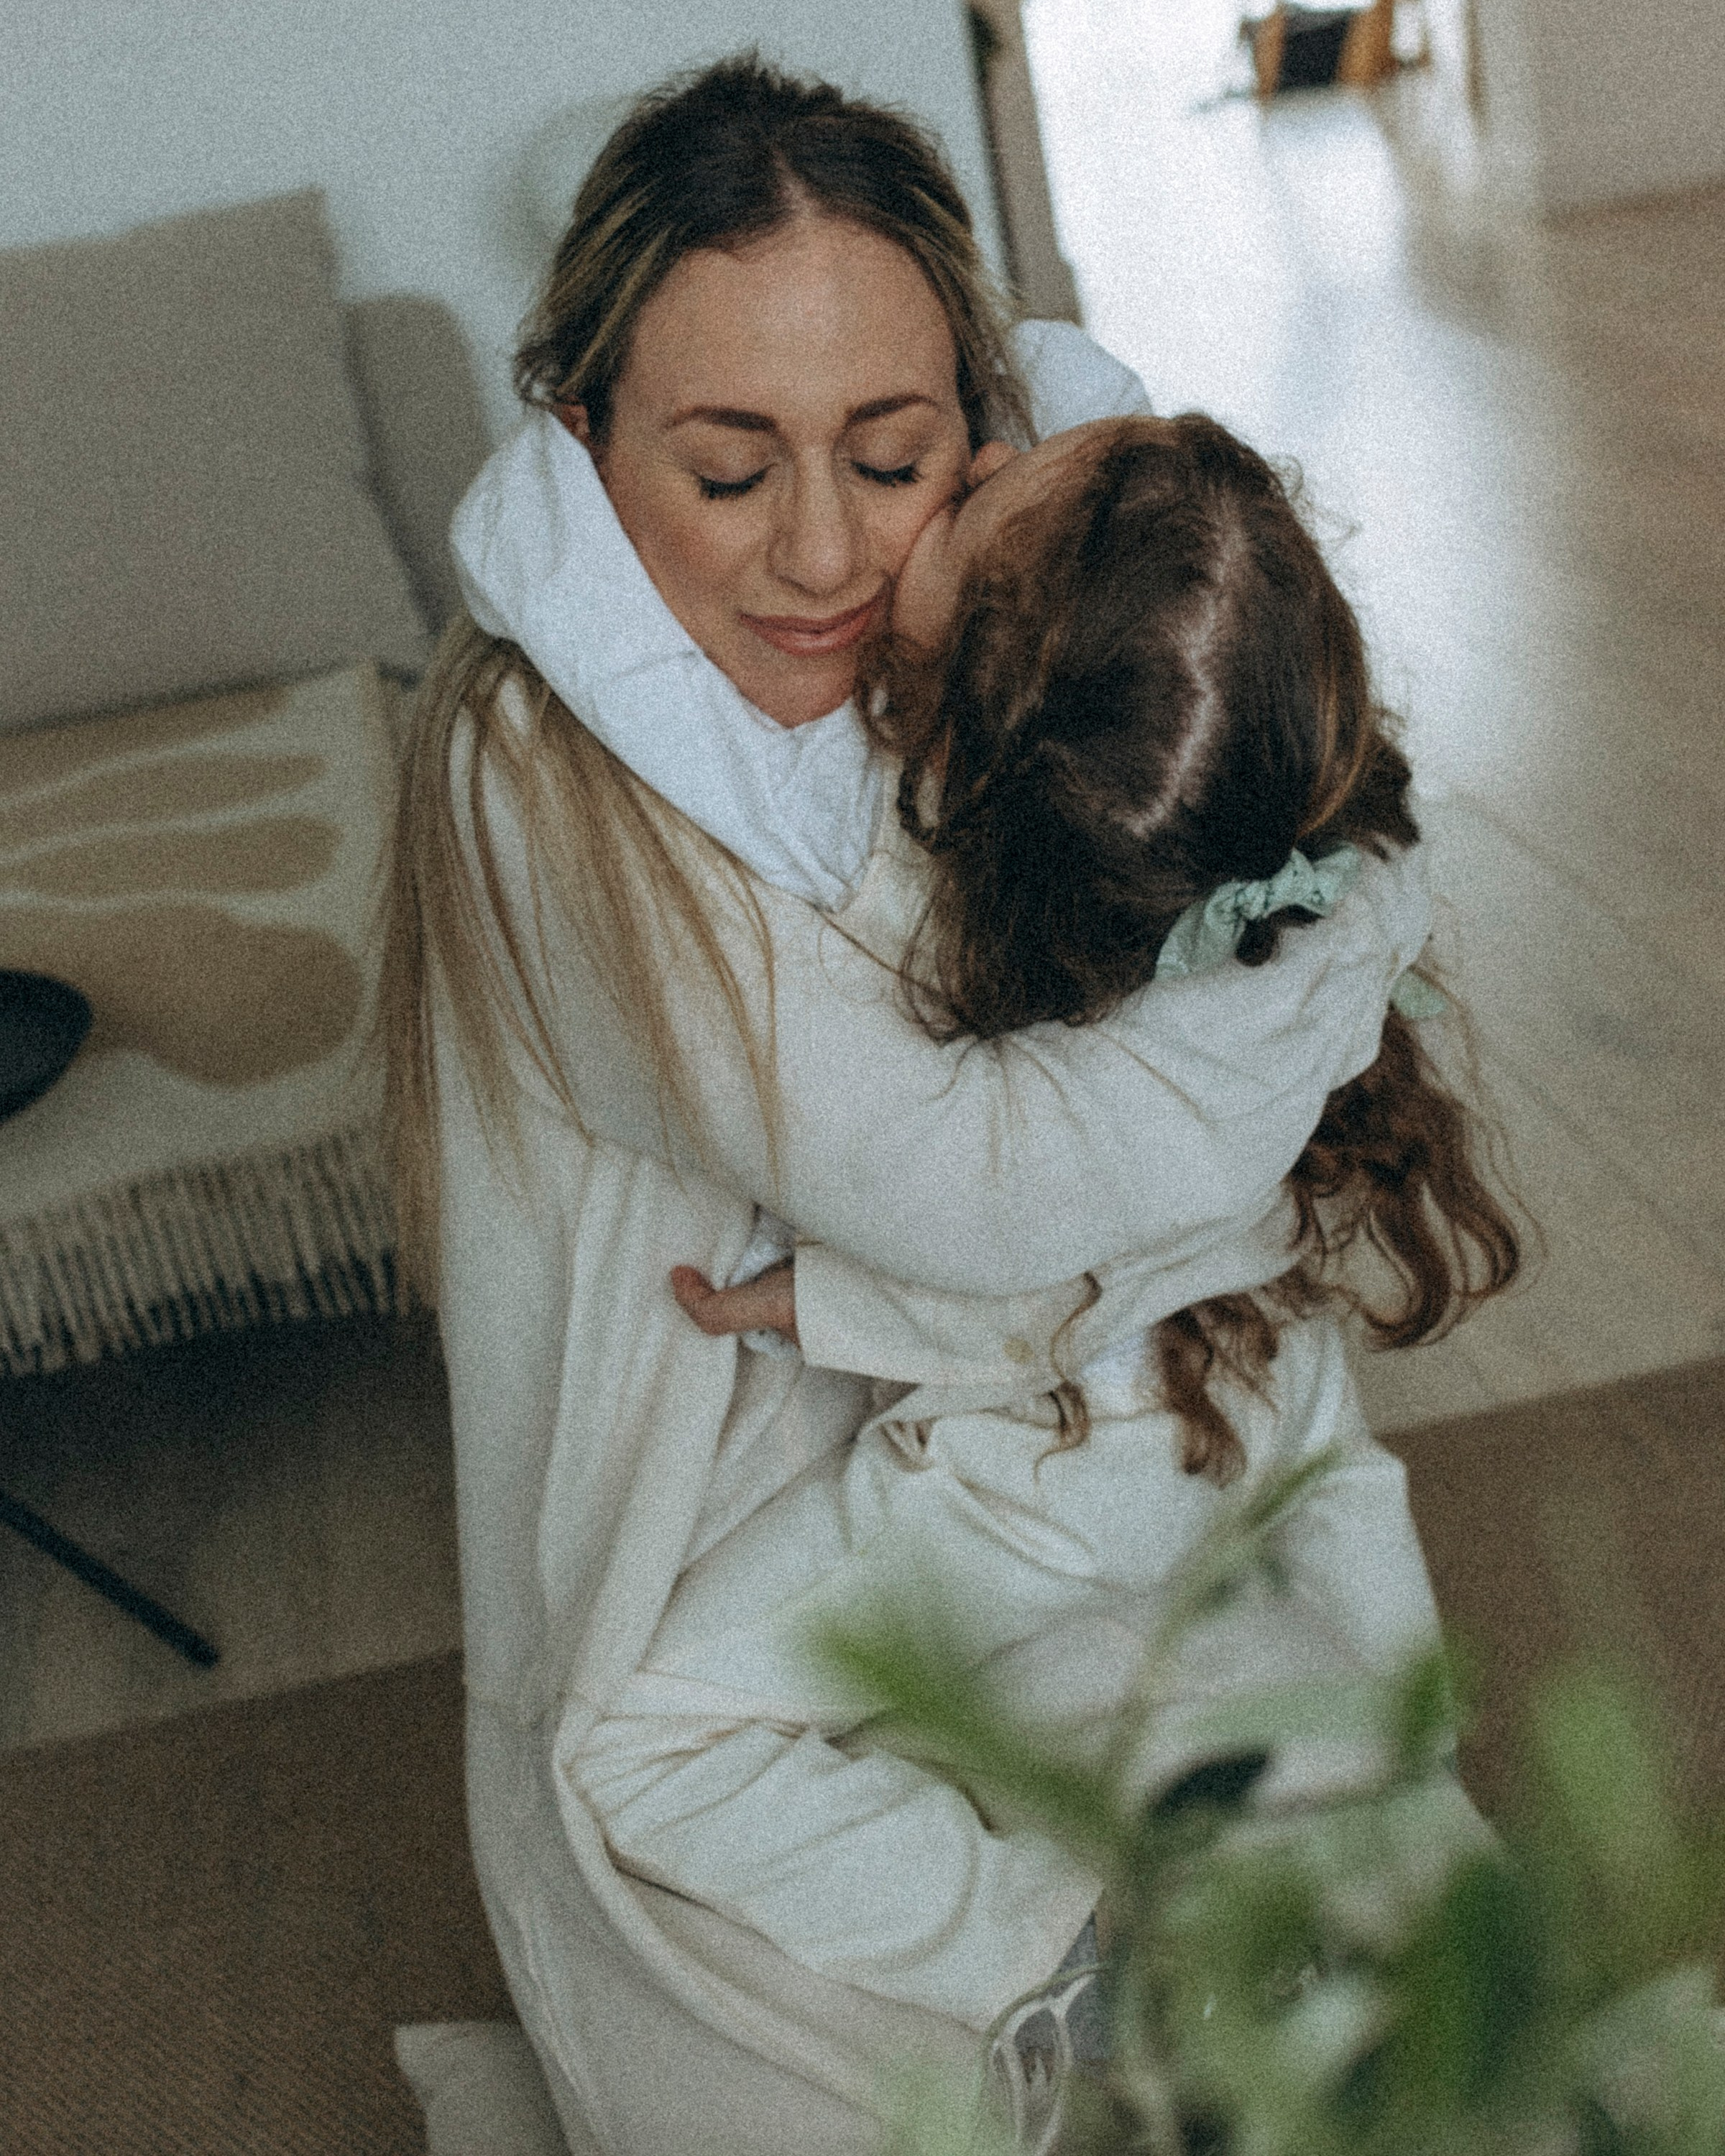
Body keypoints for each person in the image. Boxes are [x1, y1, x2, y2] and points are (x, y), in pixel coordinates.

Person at [380, 55, 1499, 2156]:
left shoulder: (1008, 645)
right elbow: (1000, 1179)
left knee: (1392, 2022)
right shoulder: (539, 782)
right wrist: (1337, 944)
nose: (819, 552)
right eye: (724, 473)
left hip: (1053, 1407)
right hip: (747, 1539)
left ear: (987, 445)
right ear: (576, 446)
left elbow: (1248, 710)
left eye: (895, 459)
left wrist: (1331, 886)